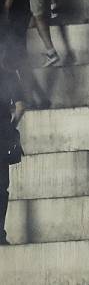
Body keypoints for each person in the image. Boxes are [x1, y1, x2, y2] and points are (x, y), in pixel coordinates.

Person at [0, 57, 25, 246]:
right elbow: (20, 107)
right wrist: (11, 127)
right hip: (2, 135)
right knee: (2, 188)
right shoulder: (8, 75)